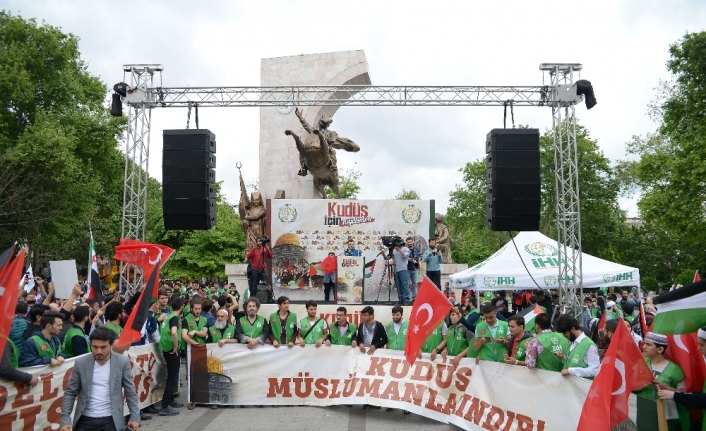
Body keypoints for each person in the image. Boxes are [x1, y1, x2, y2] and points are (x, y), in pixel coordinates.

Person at [60, 327, 140, 431]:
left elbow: (130, 391)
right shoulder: (81, 363)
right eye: (95, 347)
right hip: (84, 419)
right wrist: (65, 419)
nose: (98, 351)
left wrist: (134, 416)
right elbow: (70, 392)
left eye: (103, 347)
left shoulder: (122, 362)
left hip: (111, 420)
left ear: (111, 345)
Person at [636, 332, 689, 431]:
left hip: (665, 417)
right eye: (644, 343)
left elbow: (684, 394)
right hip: (642, 414)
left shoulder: (675, 370)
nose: (644, 347)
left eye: (648, 344)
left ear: (660, 349)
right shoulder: (640, 363)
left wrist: (666, 388)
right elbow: (627, 386)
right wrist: (641, 385)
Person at [657, 327, 706, 414]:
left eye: (702, 345)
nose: (698, 348)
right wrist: (668, 389)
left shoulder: (675, 369)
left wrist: (675, 396)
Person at [158, 297, 184, 416]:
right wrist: (175, 346)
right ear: (181, 307)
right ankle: (165, 406)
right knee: (172, 378)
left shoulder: (168, 316)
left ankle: (171, 400)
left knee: (172, 376)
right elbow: (174, 332)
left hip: (165, 348)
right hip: (171, 350)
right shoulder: (174, 318)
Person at [555, 315, 599, 379]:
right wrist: (563, 358)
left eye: (565, 332)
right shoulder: (573, 342)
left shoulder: (590, 345)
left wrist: (570, 371)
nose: (564, 335)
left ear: (573, 328)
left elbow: (594, 370)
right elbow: (575, 362)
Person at [392, 241, 411, 305]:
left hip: (403, 269)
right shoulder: (394, 250)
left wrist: (399, 250)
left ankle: (406, 300)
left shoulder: (406, 249)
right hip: (396, 269)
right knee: (398, 285)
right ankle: (400, 299)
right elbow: (391, 259)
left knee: (404, 285)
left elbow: (405, 256)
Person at [404, 237, 421, 301]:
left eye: (410, 242)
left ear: (413, 241)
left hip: (415, 269)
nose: (409, 243)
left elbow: (420, 257)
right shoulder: (405, 249)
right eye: (408, 242)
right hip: (407, 268)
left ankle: (414, 298)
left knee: (414, 284)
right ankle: (407, 298)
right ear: (406, 243)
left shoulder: (417, 249)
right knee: (407, 284)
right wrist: (407, 259)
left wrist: (419, 261)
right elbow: (403, 258)